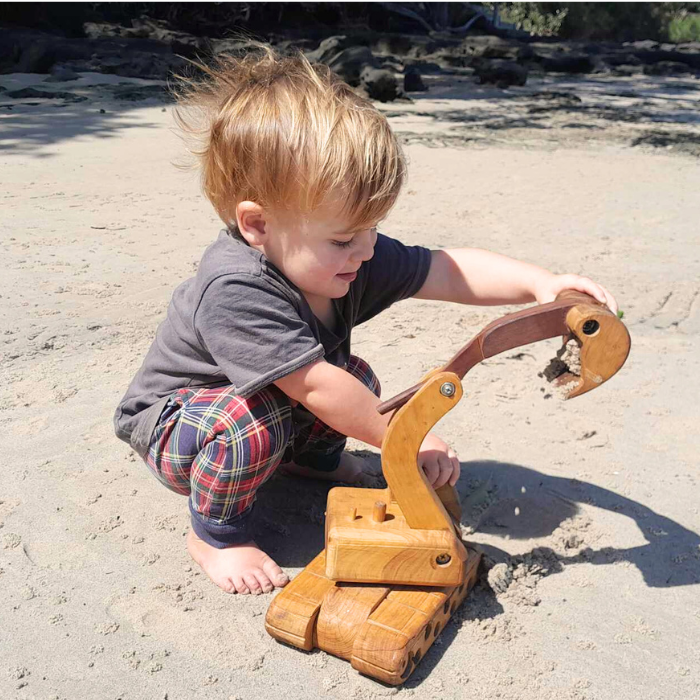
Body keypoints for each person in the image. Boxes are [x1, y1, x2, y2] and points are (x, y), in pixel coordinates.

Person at [114, 44, 617, 596]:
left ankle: (312, 463)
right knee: (261, 417)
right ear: (257, 225)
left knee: (361, 378)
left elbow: (444, 269)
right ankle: (216, 535)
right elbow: (318, 388)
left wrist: (539, 284)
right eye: (343, 238)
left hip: (266, 400)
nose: (365, 249)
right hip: (183, 425)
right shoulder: (235, 288)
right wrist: (405, 439)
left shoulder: (347, 257)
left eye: (373, 227)